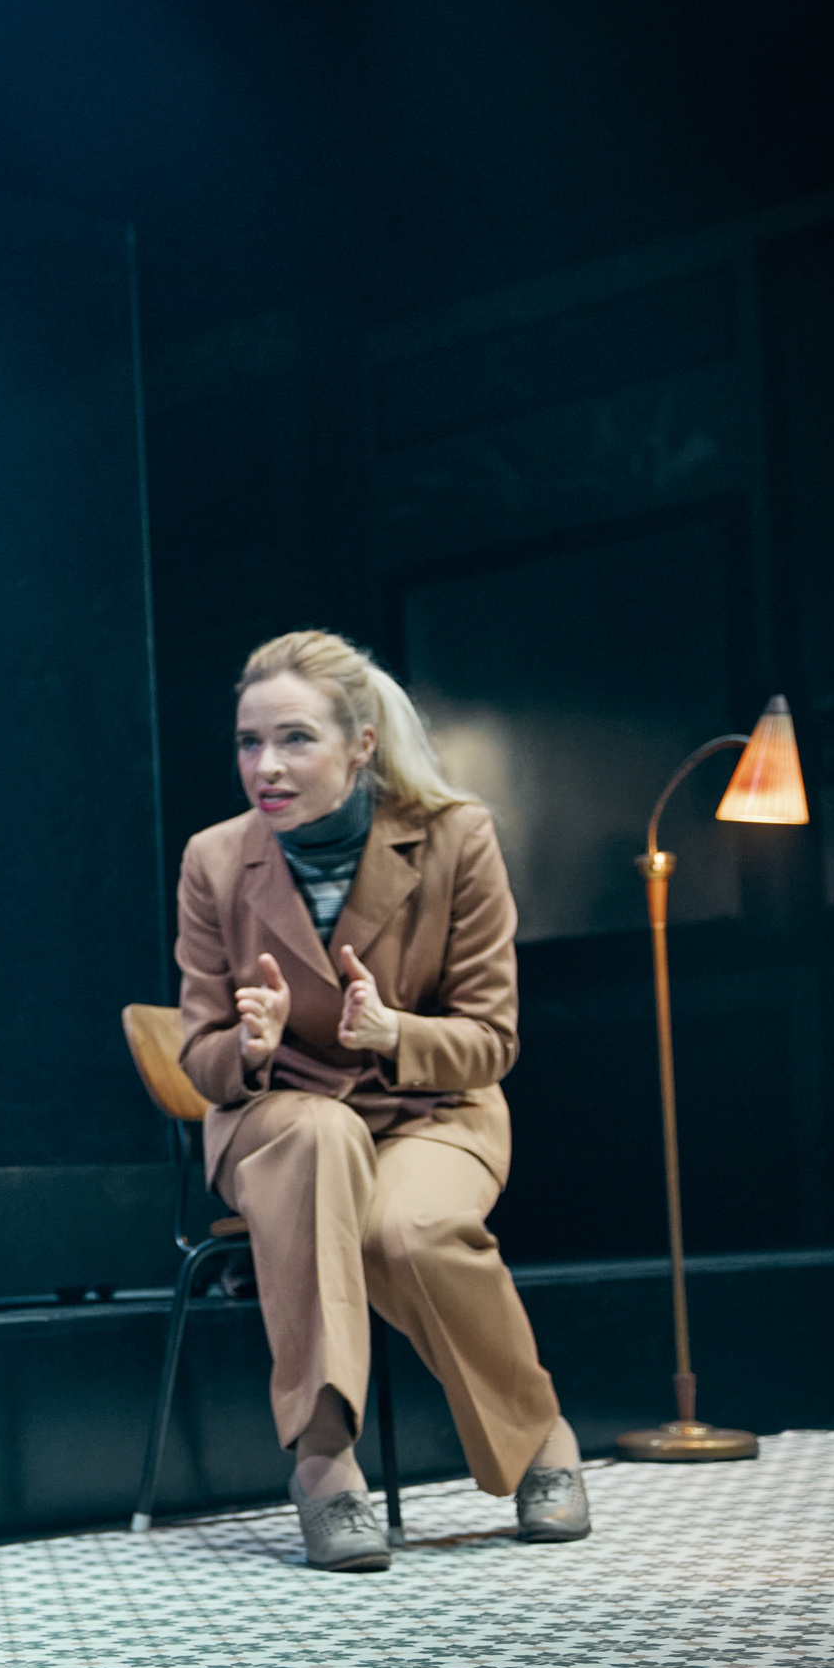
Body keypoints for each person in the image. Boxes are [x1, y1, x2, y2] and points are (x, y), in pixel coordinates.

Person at [173, 629, 591, 1574]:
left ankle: (539, 1436)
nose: (266, 767)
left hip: (430, 1110)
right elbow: (198, 1051)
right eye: (249, 742)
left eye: (295, 739)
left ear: (361, 743)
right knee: (318, 1139)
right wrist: (248, 1048)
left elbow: (493, 1040)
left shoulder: (455, 837)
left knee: (407, 1231)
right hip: (281, 1118)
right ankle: (323, 1461)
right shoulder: (214, 859)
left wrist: (395, 1031)